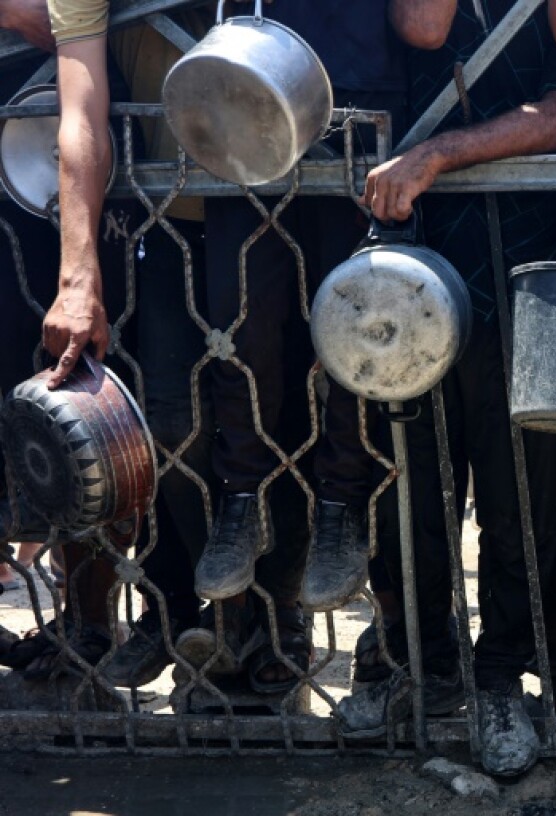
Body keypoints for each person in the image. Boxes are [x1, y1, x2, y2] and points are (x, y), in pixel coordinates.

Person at [334, 0, 556, 779]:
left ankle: (500, 676)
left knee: (520, 491)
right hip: (402, 265)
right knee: (406, 485)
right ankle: (416, 662)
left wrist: (441, 153)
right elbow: (422, 27)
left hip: (517, 257)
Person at [186, 0, 412, 695]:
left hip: (356, 96)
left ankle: (341, 512)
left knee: (350, 336)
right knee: (241, 332)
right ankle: (242, 500)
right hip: (242, 83)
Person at [3, 0, 211, 685]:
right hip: (59, 143)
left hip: (83, 166)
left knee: (92, 396)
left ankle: (100, 620)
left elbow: (46, 24)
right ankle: (102, 620)